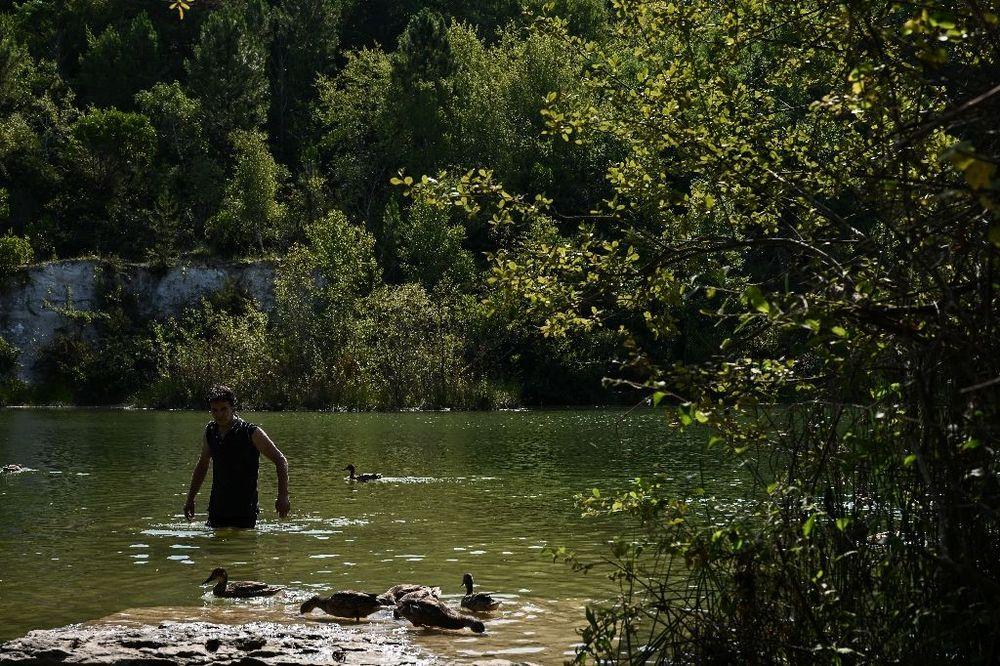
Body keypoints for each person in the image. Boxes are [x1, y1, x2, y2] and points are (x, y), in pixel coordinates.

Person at [183, 385, 290, 528]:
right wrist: (190, 499)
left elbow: (280, 460)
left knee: (243, 547)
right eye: (214, 410)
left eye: (224, 409)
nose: (219, 414)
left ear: (233, 408)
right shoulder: (210, 431)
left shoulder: (250, 432)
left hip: (244, 510)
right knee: (216, 548)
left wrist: (283, 496)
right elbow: (202, 465)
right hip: (217, 508)